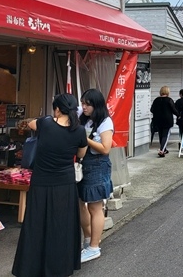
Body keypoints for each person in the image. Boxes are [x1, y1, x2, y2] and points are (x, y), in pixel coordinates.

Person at [12, 93, 88, 277]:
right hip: (65, 183)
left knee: (36, 224)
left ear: (57, 109)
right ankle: (59, 268)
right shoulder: (79, 131)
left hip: (41, 182)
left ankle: (30, 268)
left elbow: (30, 124)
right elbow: (81, 154)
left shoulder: (46, 124)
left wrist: (47, 117)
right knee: (61, 225)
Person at [77, 88, 114, 263]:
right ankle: (88, 238)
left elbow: (106, 148)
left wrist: (84, 138)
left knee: (95, 207)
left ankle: (94, 247)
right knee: (80, 203)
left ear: (96, 105)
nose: (83, 107)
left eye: (87, 104)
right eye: (82, 103)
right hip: (83, 165)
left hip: (98, 166)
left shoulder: (105, 122)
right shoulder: (85, 119)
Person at [150, 86, 180, 157]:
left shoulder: (156, 100)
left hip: (158, 119)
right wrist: (178, 115)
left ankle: (164, 149)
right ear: (167, 92)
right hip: (167, 120)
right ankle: (162, 150)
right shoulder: (169, 100)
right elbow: (173, 110)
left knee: (161, 134)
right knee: (165, 135)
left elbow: (152, 110)